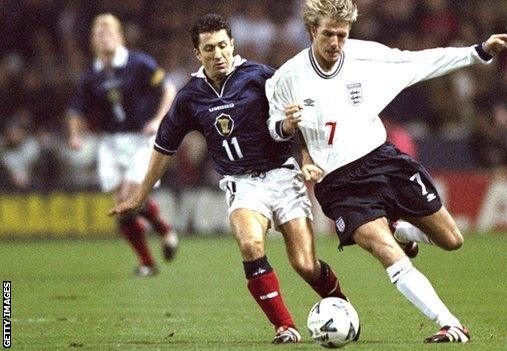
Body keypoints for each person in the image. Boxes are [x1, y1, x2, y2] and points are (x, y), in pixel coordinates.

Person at [266, 0, 507, 343]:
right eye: (328, 34)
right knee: (387, 252)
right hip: (340, 184)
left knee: (452, 240)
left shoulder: (368, 57)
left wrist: (479, 51)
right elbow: (273, 127)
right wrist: (285, 128)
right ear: (312, 30)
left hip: (385, 162)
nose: (336, 43)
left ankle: (399, 227)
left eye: (342, 35)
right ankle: (450, 323)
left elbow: (422, 62)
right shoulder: (287, 78)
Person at [109, 14, 347, 344]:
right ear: (198, 53)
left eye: (223, 45)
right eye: (209, 48)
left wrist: (307, 158)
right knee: (250, 244)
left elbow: (296, 117)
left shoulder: (260, 76)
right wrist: (138, 196)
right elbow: (164, 147)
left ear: (232, 44)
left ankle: (343, 308)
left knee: (305, 265)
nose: (218, 53)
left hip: (282, 176)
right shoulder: (190, 97)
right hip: (242, 184)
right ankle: (284, 326)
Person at [67, 13, 178, 277]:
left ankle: (162, 233)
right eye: (99, 33)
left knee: (130, 194)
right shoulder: (92, 75)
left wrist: (158, 120)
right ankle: (151, 257)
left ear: (120, 36)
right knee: (121, 206)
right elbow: (76, 109)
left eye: (110, 32)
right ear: (94, 40)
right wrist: (74, 134)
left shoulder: (138, 63)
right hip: (111, 142)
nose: (105, 36)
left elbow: (168, 89)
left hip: (141, 139)